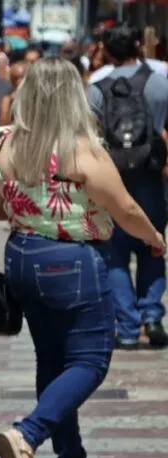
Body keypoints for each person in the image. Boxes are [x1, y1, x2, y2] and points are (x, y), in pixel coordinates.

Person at [0, 57, 166, 458]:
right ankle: (28, 433)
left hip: (21, 257)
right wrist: (156, 238)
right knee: (91, 361)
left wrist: (27, 203)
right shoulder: (81, 149)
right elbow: (126, 208)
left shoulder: (5, 148)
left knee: (52, 359)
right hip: (73, 261)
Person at [89, 25, 168, 349]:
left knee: (115, 254)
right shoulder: (160, 82)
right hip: (151, 177)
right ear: (138, 45)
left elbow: (90, 137)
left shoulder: (95, 88)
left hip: (112, 178)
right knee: (153, 245)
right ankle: (152, 315)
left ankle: (128, 326)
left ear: (106, 50)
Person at [0, 60, 28, 126]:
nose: (20, 81)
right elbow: (3, 125)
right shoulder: (8, 98)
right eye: (16, 78)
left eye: (23, 77)